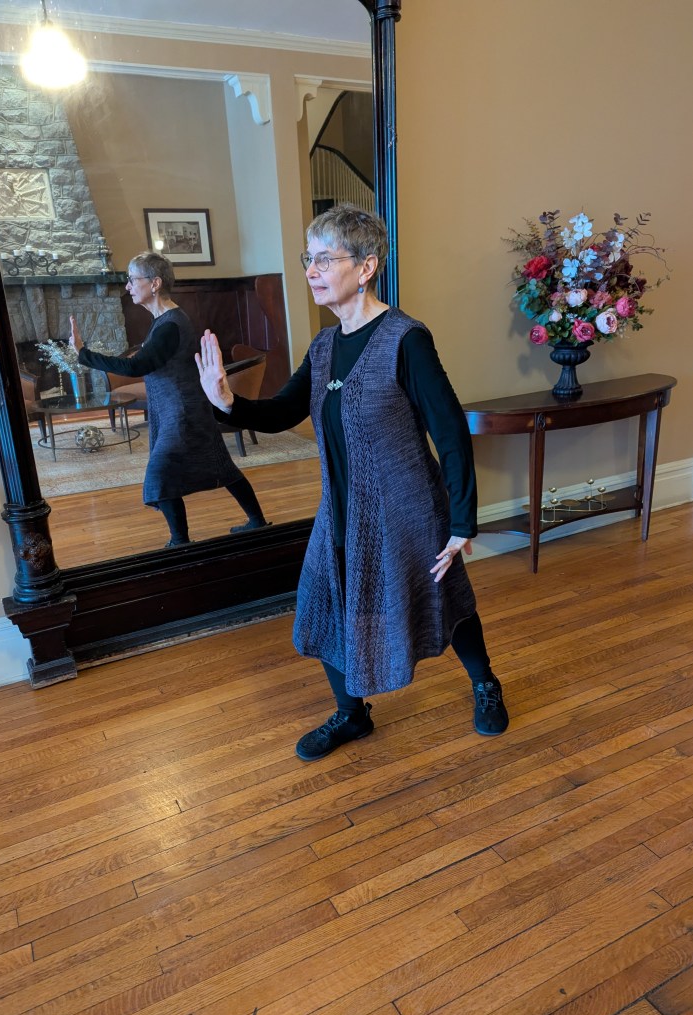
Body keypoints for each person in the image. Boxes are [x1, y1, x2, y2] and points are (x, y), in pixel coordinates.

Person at [196, 203, 509, 761]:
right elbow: (282, 412)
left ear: (366, 267)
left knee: (445, 597)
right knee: (326, 601)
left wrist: (462, 521)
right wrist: (227, 402)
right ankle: (352, 713)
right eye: (308, 259)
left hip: (408, 509)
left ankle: (485, 683)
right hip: (341, 509)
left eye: (325, 259)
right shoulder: (324, 347)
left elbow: (450, 433)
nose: (311, 271)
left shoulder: (406, 339)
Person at [70, 250, 269, 546]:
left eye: (132, 279)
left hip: (183, 410)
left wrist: (84, 354)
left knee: (160, 474)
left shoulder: (171, 325)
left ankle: (180, 541)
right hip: (178, 408)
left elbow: (136, 367)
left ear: (155, 283)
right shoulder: (164, 321)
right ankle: (255, 523)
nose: (127, 286)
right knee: (220, 466)